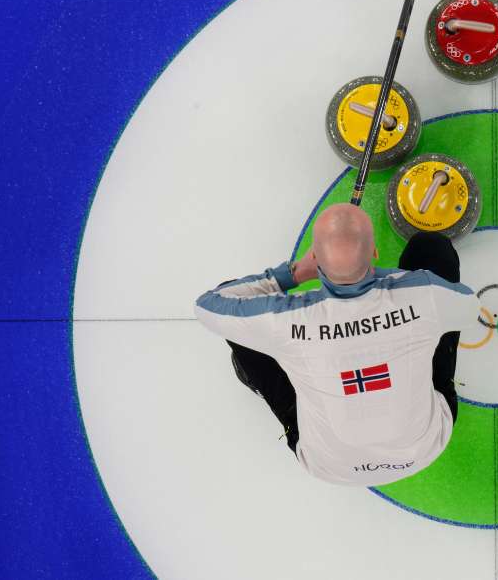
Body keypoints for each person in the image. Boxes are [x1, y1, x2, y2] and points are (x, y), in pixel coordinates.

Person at [193, 204, 479, 486]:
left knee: (244, 321)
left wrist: (293, 274)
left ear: (315, 259)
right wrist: (393, 283)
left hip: (331, 466)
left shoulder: (287, 317)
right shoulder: (423, 294)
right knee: (432, 249)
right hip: (423, 448)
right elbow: (469, 308)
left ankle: (262, 380)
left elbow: (209, 306)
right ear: (375, 254)